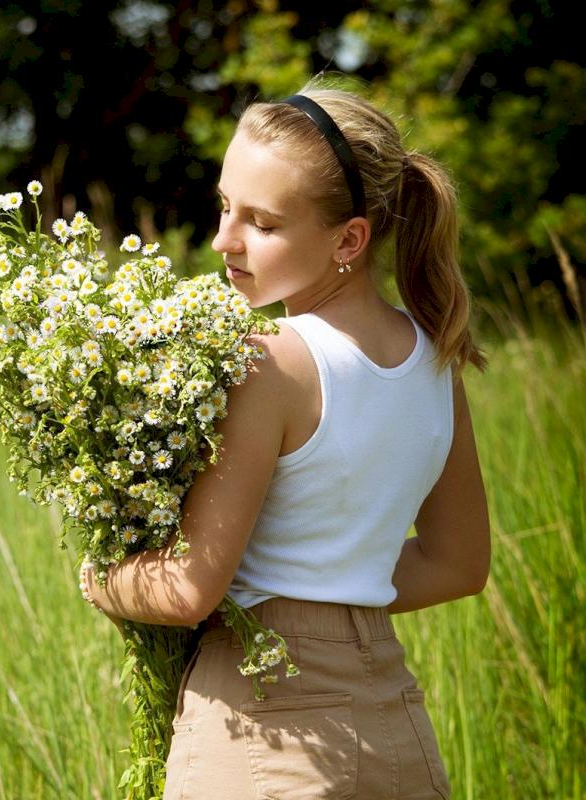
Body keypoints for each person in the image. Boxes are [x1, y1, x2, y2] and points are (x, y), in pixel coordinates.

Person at [80, 77, 491, 799]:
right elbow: (460, 565)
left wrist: (99, 576)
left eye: (263, 224)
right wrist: (337, 594)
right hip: (396, 725)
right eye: (225, 207)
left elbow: (186, 590)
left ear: (349, 239)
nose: (223, 240)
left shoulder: (272, 360)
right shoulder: (436, 359)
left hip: (266, 725)